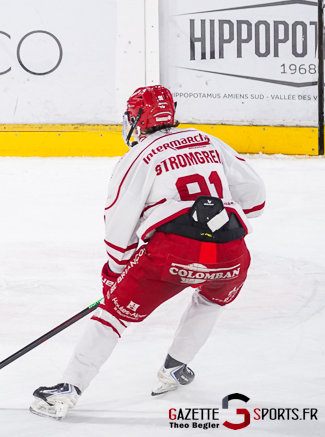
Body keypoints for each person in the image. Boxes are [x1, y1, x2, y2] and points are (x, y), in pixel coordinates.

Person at [30, 85, 266, 420]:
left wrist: (114, 275)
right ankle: (175, 367)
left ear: (138, 118)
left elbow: (119, 224)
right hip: (232, 251)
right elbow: (256, 198)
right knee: (211, 300)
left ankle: (68, 389)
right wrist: (213, 214)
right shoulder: (207, 140)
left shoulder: (138, 156)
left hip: (173, 252)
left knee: (112, 315)